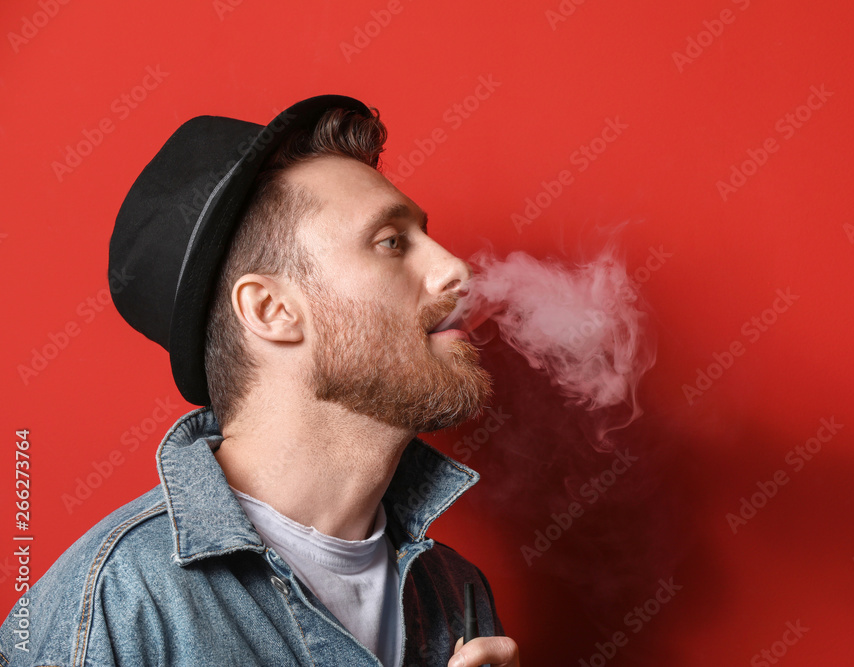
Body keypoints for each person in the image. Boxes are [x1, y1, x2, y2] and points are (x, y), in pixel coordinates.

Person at [0, 94, 519, 667]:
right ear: (271, 310)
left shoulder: (453, 592)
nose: (456, 269)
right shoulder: (122, 604)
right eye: (391, 242)